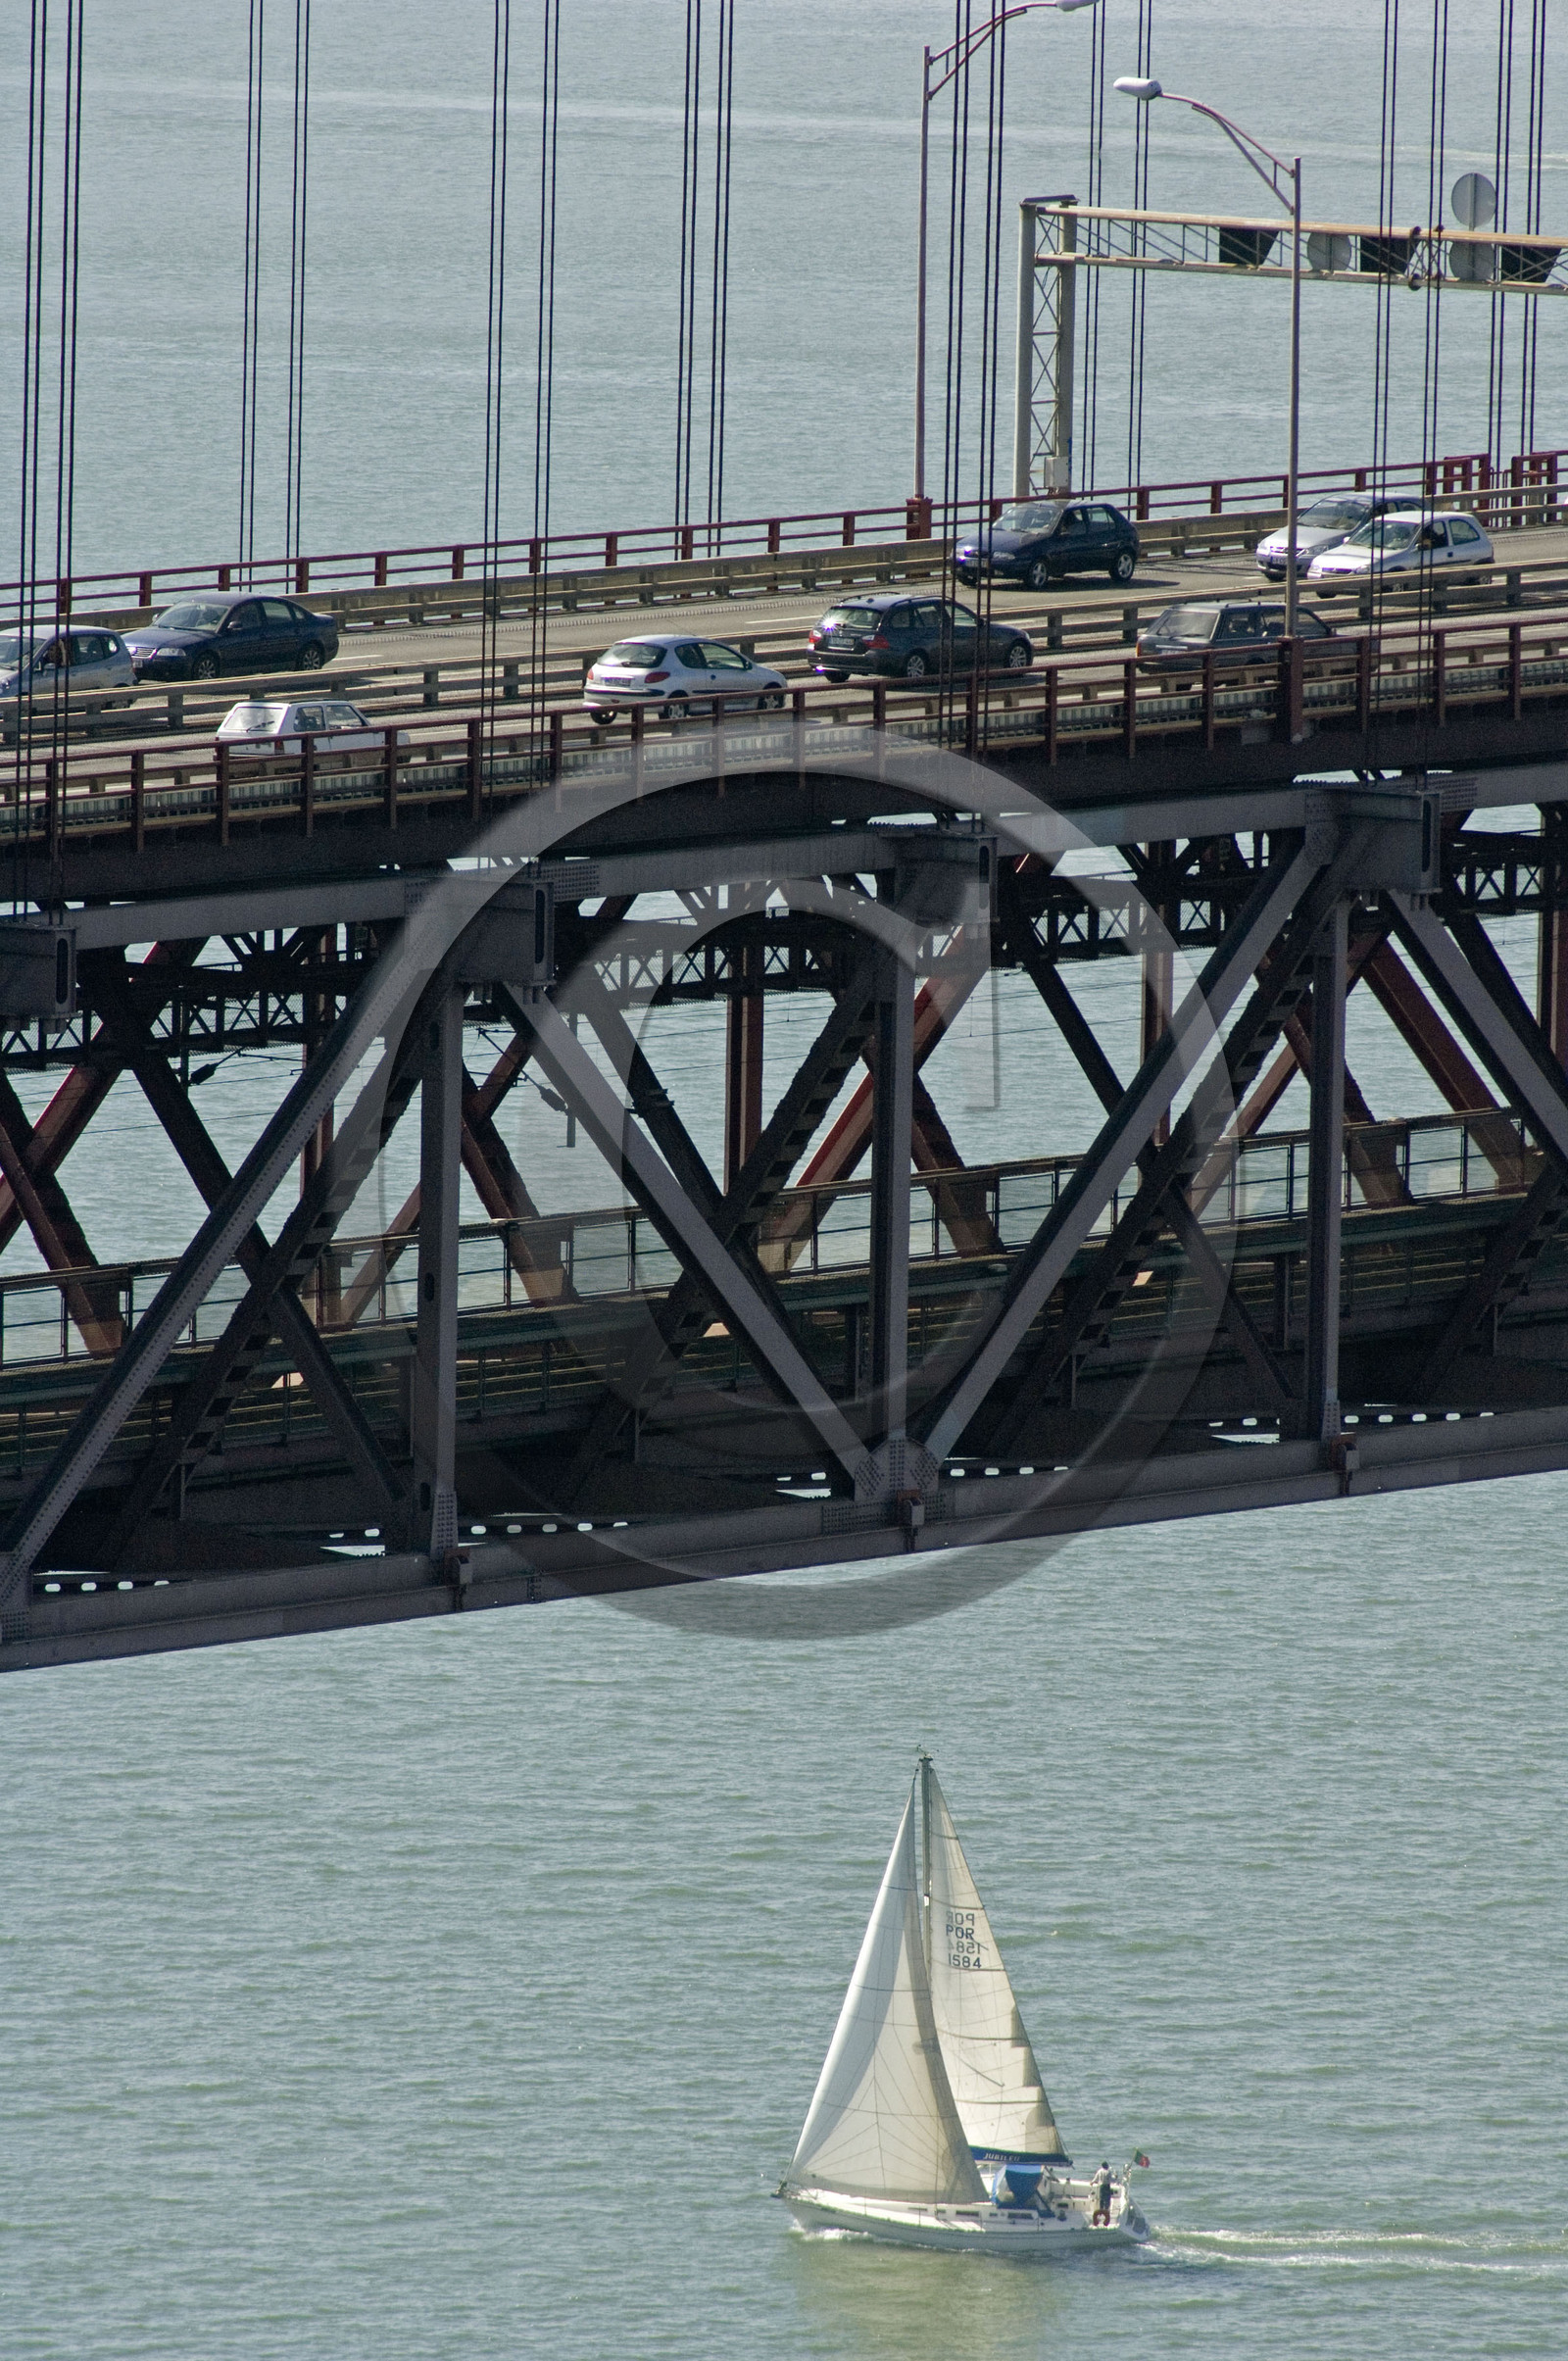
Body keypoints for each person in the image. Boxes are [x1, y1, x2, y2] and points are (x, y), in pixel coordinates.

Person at [1090, 2162, 1113, 2226]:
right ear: (1106, 2166)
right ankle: (1106, 2212)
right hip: (1107, 2186)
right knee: (1107, 2199)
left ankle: (1100, 2212)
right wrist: (1116, 2179)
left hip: (1101, 2186)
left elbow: (1096, 2178)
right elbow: (1111, 2179)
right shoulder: (1108, 2172)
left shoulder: (1099, 2171)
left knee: (1101, 2199)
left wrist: (1092, 2182)